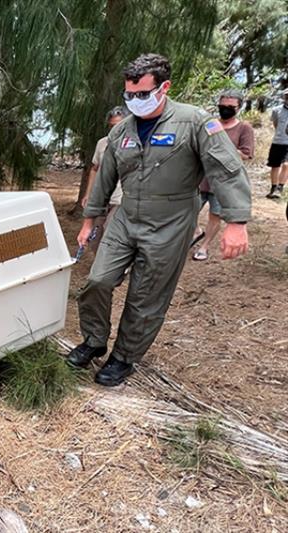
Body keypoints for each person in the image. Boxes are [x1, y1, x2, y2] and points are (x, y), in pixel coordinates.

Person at [67, 53, 251, 386]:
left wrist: (236, 221)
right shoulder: (121, 131)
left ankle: (124, 356)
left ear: (164, 87)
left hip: (170, 220)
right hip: (126, 216)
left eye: (142, 94)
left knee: (146, 294)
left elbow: (226, 169)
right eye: (129, 95)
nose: (134, 101)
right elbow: (105, 179)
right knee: (98, 280)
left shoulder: (195, 122)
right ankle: (94, 340)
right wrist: (89, 221)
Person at [193, 90, 255, 261]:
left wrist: (220, 151)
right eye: (222, 106)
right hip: (200, 179)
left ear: (238, 107)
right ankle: (196, 232)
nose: (225, 109)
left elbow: (246, 153)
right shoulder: (211, 125)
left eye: (230, 107)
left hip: (224, 183)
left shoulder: (244, 128)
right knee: (189, 211)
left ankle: (204, 247)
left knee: (215, 215)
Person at [82, 106, 129, 247]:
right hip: (102, 199)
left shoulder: (135, 144)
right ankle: (101, 266)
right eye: (112, 126)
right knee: (95, 238)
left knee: (111, 232)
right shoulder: (102, 143)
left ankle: (118, 268)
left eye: (119, 125)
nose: (116, 129)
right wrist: (88, 194)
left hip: (121, 199)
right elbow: (95, 169)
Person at [266, 89, 288, 198]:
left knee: (286, 165)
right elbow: (275, 124)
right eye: (287, 96)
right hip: (278, 141)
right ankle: (273, 188)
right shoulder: (276, 110)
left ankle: (280, 187)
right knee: (275, 165)